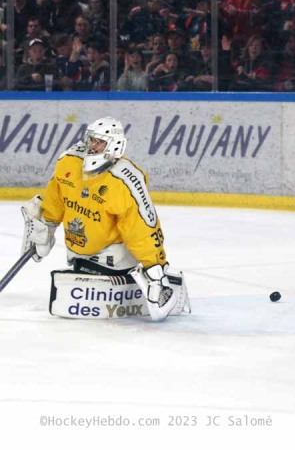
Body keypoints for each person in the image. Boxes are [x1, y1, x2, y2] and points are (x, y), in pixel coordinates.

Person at [20, 117, 189, 322]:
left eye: (99, 142)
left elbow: (141, 228)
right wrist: (46, 226)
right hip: (79, 253)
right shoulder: (69, 162)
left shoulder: (125, 180)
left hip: (114, 260)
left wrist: (155, 270)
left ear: (115, 145)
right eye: (91, 140)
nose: (92, 146)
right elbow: (56, 199)